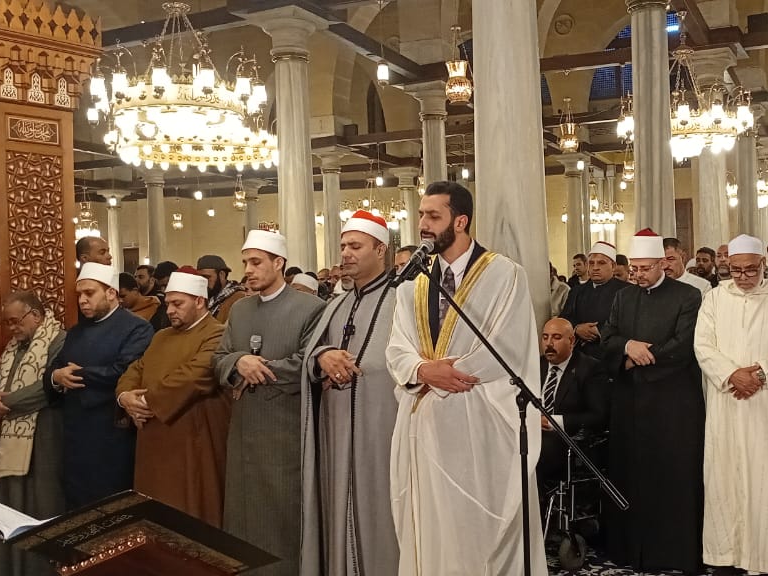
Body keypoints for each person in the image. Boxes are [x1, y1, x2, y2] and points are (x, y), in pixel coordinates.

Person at [384, 181, 546, 576]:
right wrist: (423, 370)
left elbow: (507, 346)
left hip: (480, 425)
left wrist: (446, 374)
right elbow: (397, 347)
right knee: (432, 531)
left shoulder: (505, 275)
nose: (423, 224)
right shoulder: (413, 282)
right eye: (421, 215)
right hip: (425, 427)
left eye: (433, 216)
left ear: (461, 221)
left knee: (476, 536)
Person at [212, 230, 326, 576]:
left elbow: (308, 362)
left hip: (284, 432)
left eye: (256, 262)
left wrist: (257, 369)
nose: (248, 270)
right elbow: (219, 359)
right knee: (242, 519)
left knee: (281, 518)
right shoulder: (240, 309)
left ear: (279, 263)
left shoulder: (311, 308)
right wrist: (239, 362)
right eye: (245, 262)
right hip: (244, 431)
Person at [299, 211, 400, 575]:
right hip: (337, 429)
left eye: (355, 246)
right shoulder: (337, 304)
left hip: (382, 431)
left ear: (380, 250)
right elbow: (311, 354)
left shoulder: (404, 300)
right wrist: (322, 357)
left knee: (383, 515)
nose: (345, 253)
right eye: (343, 246)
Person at [694, 234, 768, 575]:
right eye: (736, 270)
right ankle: (726, 556)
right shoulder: (714, 298)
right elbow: (703, 347)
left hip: (767, 405)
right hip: (727, 403)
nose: (742, 277)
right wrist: (731, 375)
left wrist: (759, 375)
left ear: (763, 265)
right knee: (725, 480)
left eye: (750, 270)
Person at [603, 228, 705, 574]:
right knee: (631, 474)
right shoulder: (623, 297)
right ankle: (631, 551)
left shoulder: (688, 296)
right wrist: (627, 346)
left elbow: (683, 345)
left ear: (663, 263)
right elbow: (608, 336)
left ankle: (672, 553)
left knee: (671, 477)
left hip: (672, 404)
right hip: (630, 403)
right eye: (634, 268)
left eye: (645, 268)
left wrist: (641, 360)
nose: (638, 275)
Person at [116, 269, 230, 526]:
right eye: (168, 303)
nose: (169, 310)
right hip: (152, 441)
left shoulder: (218, 333)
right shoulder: (161, 336)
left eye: (178, 304)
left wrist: (144, 403)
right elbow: (136, 369)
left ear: (199, 301)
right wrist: (125, 397)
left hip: (191, 441)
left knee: (191, 518)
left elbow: (195, 376)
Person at [45, 263, 153, 508]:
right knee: (77, 506)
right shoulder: (76, 332)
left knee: (111, 505)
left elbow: (125, 371)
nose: (82, 300)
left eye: (89, 293)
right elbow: (55, 369)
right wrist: (57, 377)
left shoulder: (137, 328)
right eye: (79, 294)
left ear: (111, 293)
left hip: (111, 432)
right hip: (75, 434)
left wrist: (78, 373)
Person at [0, 291, 66, 576]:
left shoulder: (59, 341)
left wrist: (3, 404)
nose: (12, 328)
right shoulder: (13, 347)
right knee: (11, 505)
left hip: (44, 437)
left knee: (41, 506)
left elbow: (49, 387)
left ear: (36, 316)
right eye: (8, 322)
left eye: (16, 321)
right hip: (9, 438)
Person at [536, 318, 608, 491]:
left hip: (566, 439)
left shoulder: (590, 369)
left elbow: (599, 416)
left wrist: (553, 422)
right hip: (531, 432)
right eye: (545, 337)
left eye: (556, 337)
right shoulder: (536, 365)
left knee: (538, 449)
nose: (549, 344)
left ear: (572, 341)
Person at [560, 241, 631, 363]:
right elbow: (564, 318)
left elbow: (631, 323)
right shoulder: (576, 291)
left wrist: (599, 330)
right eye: (591, 263)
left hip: (613, 358)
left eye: (601, 263)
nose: (595, 267)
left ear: (613, 266)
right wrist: (577, 328)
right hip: (580, 357)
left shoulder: (627, 291)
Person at [196, 255, 247, 322]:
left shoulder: (239, 298)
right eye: (200, 278)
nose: (203, 282)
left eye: (207, 277)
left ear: (222, 275)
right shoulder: (204, 298)